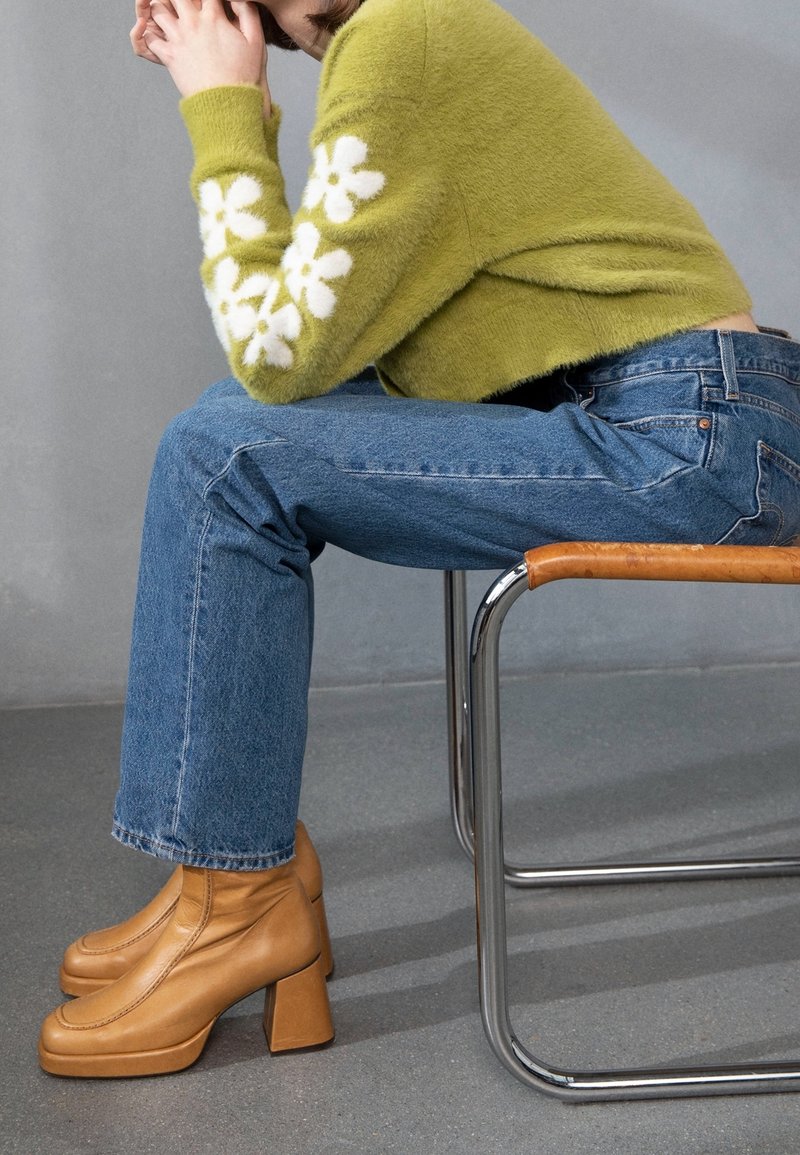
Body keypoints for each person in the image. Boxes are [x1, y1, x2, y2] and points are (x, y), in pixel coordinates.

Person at [39, 0, 800, 1077]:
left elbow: (278, 350)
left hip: (694, 438)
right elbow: (321, 352)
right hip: (668, 409)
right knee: (225, 427)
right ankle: (230, 876)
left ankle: (236, 902)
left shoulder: (403, 35)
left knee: (229, 454)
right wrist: (242, 95)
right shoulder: (398, 37)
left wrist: (222, 112)